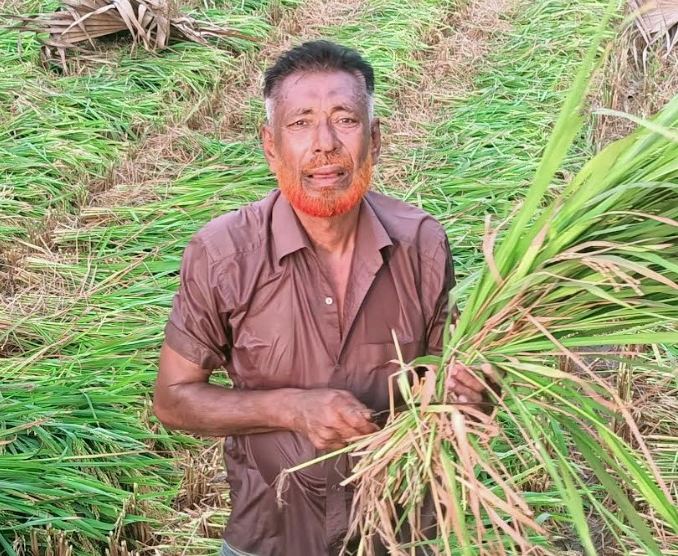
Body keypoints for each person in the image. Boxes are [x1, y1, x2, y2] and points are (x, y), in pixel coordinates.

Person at [153, 40, 486, 556]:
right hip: (272, 534)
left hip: (397, 531)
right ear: (270, 145)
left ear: (374, 139)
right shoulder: (222, 253)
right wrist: (292, 409)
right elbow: (173, 402)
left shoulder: (422, 242)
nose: (324, 144)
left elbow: (445, 372)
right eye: (301, 123)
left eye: (345, 120)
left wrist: (465, 390)